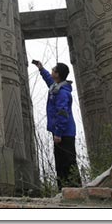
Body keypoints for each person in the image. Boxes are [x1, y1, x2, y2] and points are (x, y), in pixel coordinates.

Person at [32, 59, 80, 189]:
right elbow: (49, 80)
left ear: (58, 74)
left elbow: (62, 113)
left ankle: (75, 189)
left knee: (68, 163)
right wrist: (41, 69)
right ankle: (63, 190)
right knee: (60, 162)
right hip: (59, 131)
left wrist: (58, 133)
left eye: (53, 70)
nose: (52, 71)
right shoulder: (56, 87)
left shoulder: (62, 93)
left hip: (65, 133)